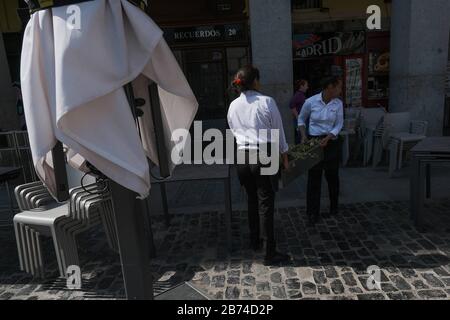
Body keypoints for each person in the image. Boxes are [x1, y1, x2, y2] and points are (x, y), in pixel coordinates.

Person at [227, 65, 291, 265]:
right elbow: (278, 131)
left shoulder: (233, 106)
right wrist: (285, 155)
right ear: (255, 81)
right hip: (264, 154)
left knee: (252, 200)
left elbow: (233, 130)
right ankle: (269, 252)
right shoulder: (266, 102)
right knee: (266, 204)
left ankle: (255, 241)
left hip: (242, 158)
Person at [298, 76, 344, 225]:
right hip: (314, 141)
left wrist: (329, 137)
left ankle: (334, 207)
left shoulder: (338, 104)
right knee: (314, 178)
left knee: (332, 176)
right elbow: (301, 119)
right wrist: (304, 136)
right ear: (330, 87)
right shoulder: (310, 102)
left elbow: (339, 125)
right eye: (339, 87)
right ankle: (312, 212)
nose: (340, 90)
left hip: (331, 142)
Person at [289, 79, 309, 144]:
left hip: (303, 120)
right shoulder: (298, 95)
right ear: (301, 86)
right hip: (300, 121)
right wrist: (298, 117)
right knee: (301, 136)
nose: (307, 87)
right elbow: (291, 105)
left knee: (303, 136)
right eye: (306, 86)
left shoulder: (302, 95)